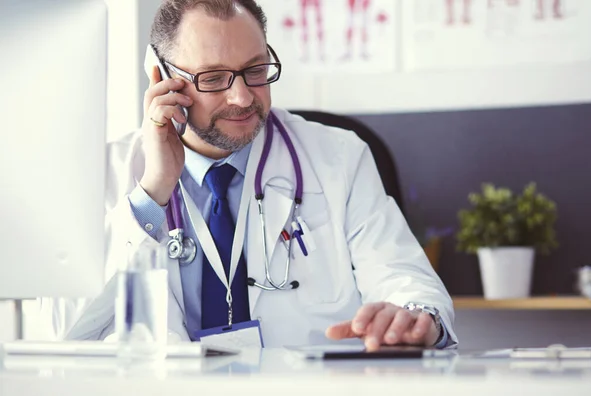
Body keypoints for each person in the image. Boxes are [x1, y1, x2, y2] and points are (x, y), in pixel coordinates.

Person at [49, 0, 457, 351]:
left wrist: (415, 319)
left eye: (255, 70)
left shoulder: (339, 158)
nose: (242, 97)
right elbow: (64, 332)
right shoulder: (106, 174)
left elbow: (405, 280)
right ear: (160, 77)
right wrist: (151, 194)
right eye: (212, 78)